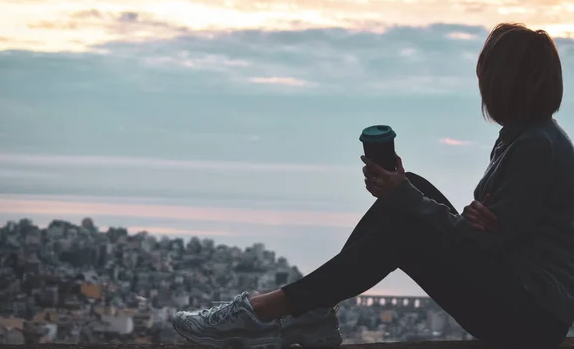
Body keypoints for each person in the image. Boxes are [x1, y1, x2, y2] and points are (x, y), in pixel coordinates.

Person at [171, 23, 574, 349]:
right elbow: (486, 235)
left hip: (529, 317)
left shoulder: (535, 146)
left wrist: (410, 200)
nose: (481, 84)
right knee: (411, 190)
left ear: (504, 81)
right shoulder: (530, 136)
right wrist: (413, 195)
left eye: (484, 73)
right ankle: (310, 311)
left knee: (403, 216)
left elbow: (483, 244)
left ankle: (263, 312)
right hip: (527, 302)